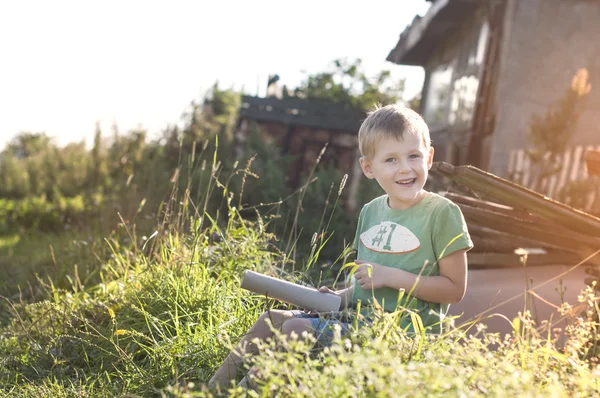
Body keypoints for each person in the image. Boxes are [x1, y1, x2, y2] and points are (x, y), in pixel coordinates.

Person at [208, 104, 473, 389]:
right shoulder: (371, 212)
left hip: (399, 335)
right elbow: (369, 286)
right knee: (271, 319)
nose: (405, 168)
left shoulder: (442, 213)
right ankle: (208, 392)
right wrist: (339, 295)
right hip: (357, 318)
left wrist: (390, 277)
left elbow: (454, 289)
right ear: (368, 168)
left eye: (413, 156)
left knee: (296, 328)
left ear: (429, 157)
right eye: (391, 160)